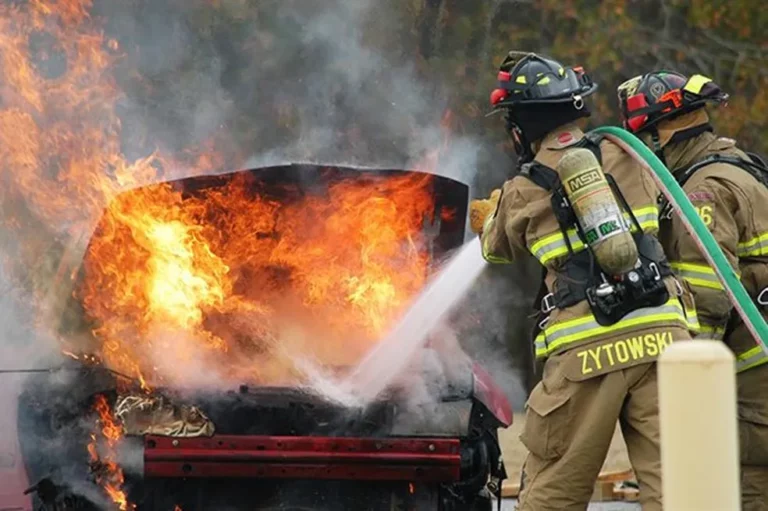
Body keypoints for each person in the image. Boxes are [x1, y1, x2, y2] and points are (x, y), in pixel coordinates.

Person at [469, 51, 698, 510]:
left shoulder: (522, 188)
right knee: (681, 490)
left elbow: (494, 248)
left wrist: (490, 213)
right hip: (667, 338)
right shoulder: (629, 152)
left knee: (553, 492)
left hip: (589, 351)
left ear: (521, 126)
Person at [618, 70, 768, 510]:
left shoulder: (701, 192)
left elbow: (707, 294)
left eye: (642, 141)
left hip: (750, 383)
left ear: (659, 133)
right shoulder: (745, 167)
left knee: (747, 491)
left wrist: (687, 389)